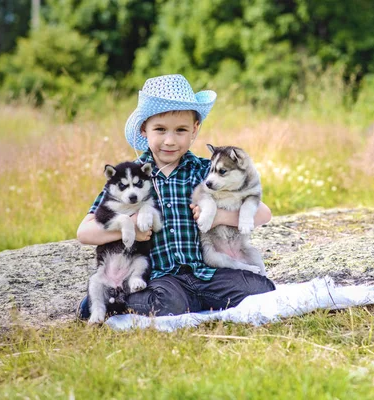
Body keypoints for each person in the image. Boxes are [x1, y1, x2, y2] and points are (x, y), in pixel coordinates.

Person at [76, 74, 276, 320]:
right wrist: (131, 230)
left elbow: (263, 214)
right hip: (161, 278)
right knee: (165, 302)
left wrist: (219, 217)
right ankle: (112, 298)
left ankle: (192, 303)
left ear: (194, 130)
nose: (170, 141)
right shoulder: (129, 177)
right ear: (144, 129)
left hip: (206, 271)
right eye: (160, 129)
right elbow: (84, 232)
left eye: (180, 130)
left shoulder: (206, 171)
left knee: (260, 289)